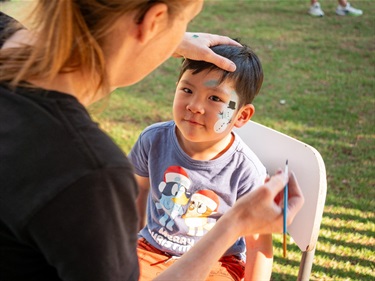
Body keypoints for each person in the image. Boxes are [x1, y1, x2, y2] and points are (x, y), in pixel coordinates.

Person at [0, 1, 304, 280]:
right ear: (154, 20)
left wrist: (159, 40)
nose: (196, 106)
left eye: (213, 97)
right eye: (184, 22)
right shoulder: (91, 174)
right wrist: (235, 223)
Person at [129, 42, 272, 280]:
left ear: (241, 115)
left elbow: (258, 247)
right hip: (152, 251)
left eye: (215, 97)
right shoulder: (153, 140)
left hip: (217, 263)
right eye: (187, 91)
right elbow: (137, 191)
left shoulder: (247, 171)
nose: (194, 106)